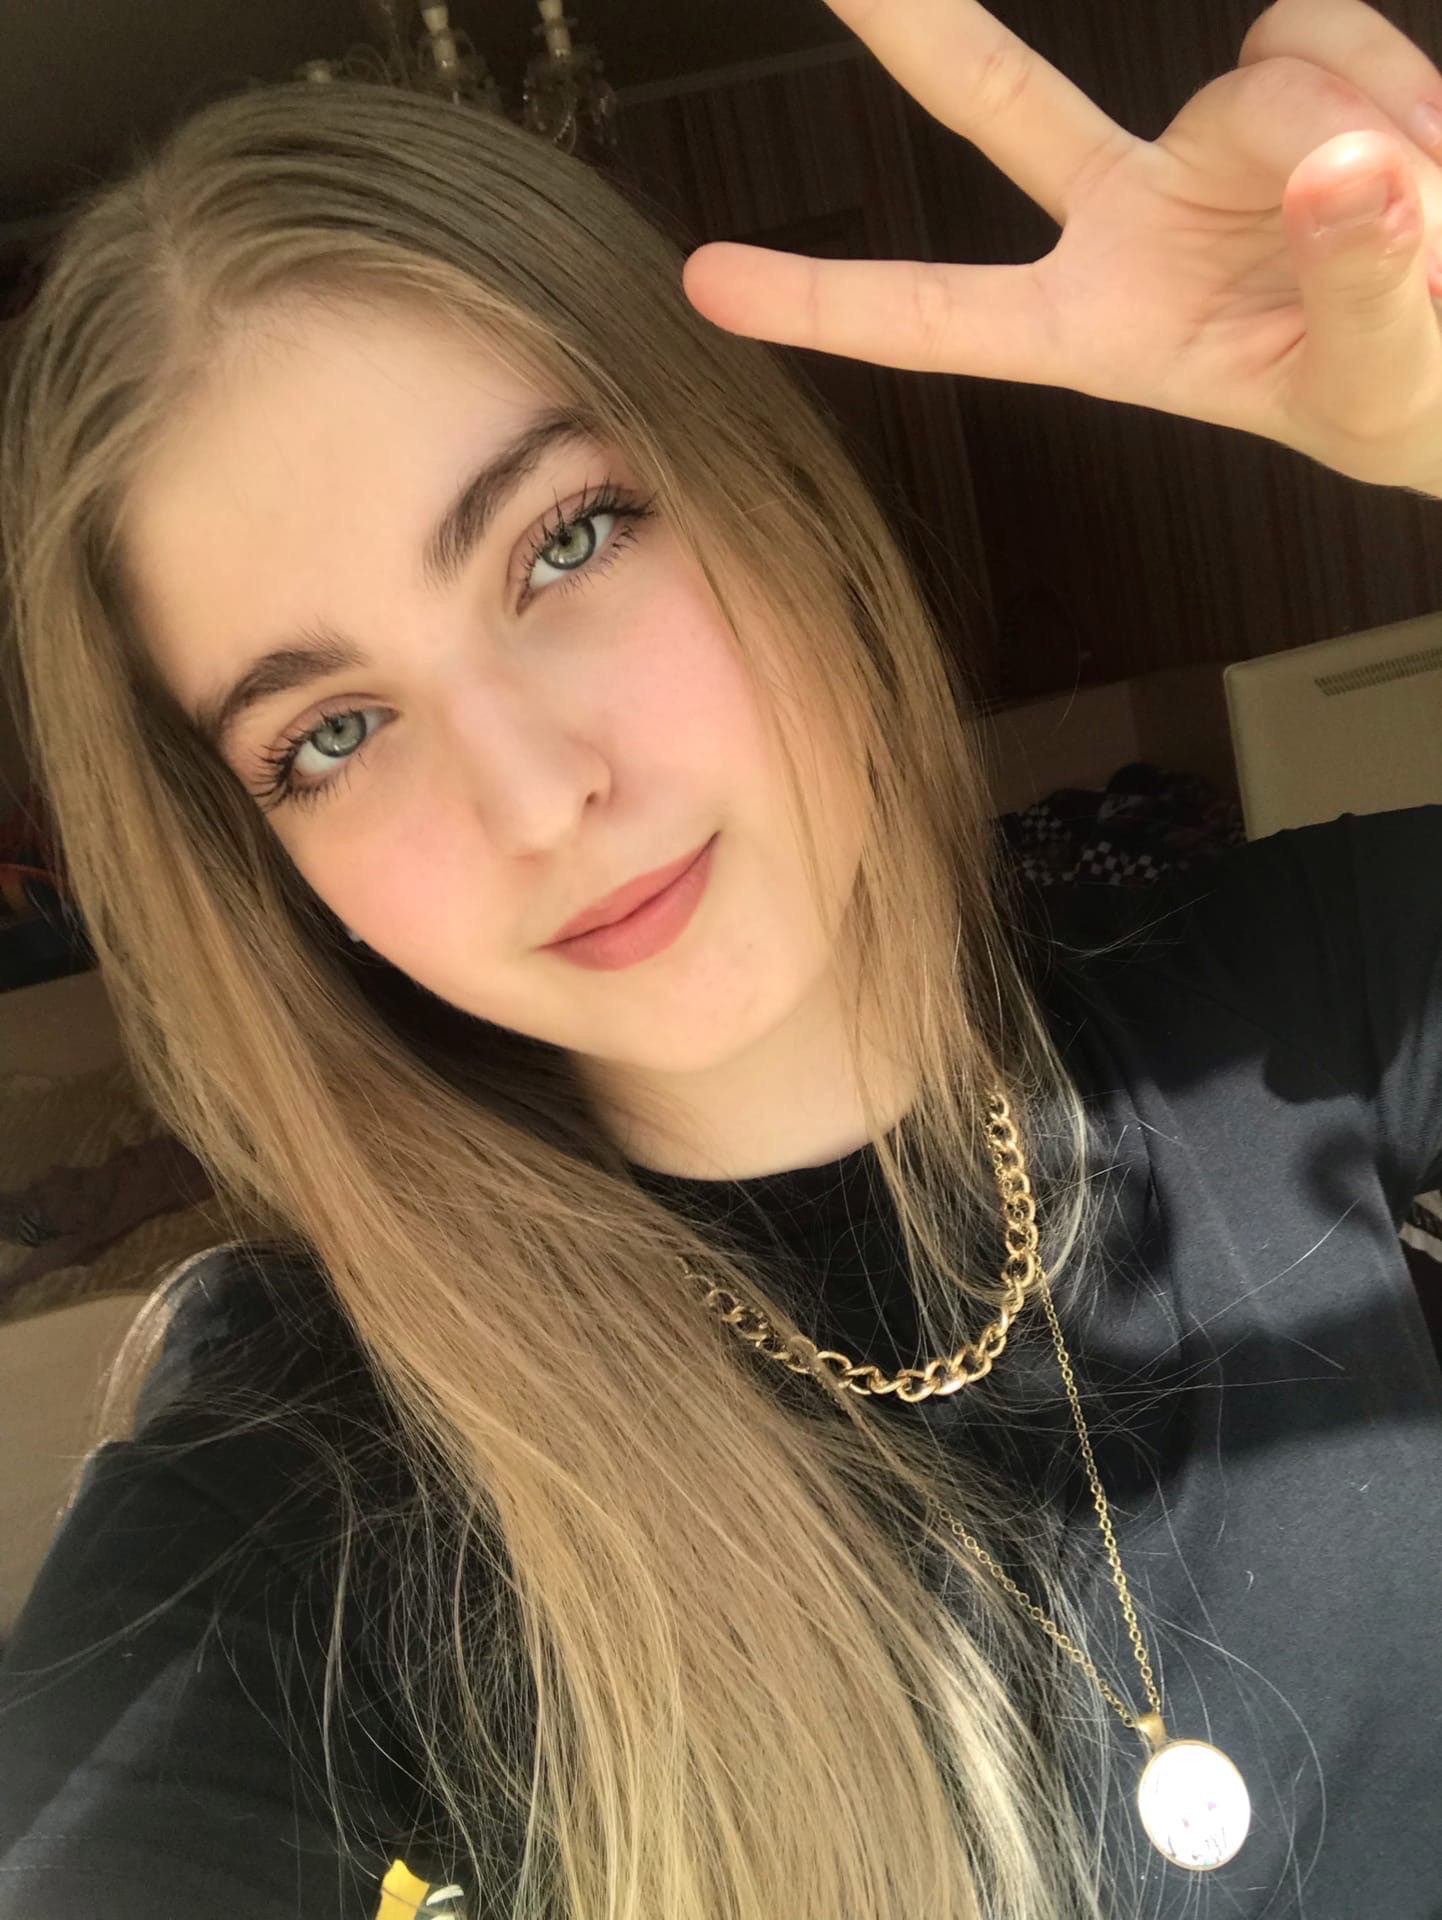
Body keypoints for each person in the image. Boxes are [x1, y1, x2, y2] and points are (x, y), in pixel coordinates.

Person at [0, 0, 1439, 1913]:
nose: (536, 798)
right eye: (330, 733)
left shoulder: (1290, 995)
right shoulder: (311, 1481)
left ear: (766, 492)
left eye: (564, 540)